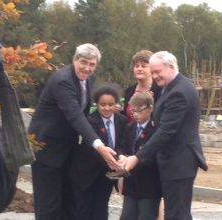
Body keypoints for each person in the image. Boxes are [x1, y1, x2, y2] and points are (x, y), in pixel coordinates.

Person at [28, 43, 121, 220]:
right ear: (75, 59)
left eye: (92, 64)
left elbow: (85, 114)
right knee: (49, 205)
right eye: (83, 62)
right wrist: (99, 146)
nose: (87, 68)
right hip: (46, 149)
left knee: (68, 202)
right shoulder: (62, 81)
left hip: (68, 149)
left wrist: (109, 109)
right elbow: (75, 116)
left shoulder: (89, 80)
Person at [124, 51, 208, 220]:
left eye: (157, 72)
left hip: (178, 162)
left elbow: (166, 131)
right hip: (173, 162)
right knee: (176, 212)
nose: (154, 76)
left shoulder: (179, 92)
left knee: (176, 214)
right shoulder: (171, 87)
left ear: (171, 67)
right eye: (153, 72)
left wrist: (137, 157)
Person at [70, 85, 127, 220]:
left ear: (116, 104)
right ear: (96, 104)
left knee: (101, 207)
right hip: (88, 173)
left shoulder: (121, 121)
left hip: (108, 174)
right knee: (84, 208)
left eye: (111, 104)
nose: (107, 108)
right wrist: (113, 162)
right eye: (103, 105)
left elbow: (121, 144)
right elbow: (92, 148)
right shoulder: (90, 121)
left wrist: (119, 157)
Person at [119, 92, 162, 220]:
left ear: (150, 108)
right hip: (131, 184)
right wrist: (121, 156)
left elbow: (155, 156)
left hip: (149, 185)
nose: (135, 114)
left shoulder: (157, 130)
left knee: (146, 216)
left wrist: (135, 160)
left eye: (139, 110)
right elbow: (121, 146)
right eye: (133, 111)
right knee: (127, 216)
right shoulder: (130, 127)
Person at [122, 50, 162, 121]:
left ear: (151, 69)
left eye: (143, 66)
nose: (139, 69)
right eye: (136, 66)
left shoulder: (160, 90)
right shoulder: (128, 91)